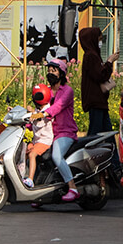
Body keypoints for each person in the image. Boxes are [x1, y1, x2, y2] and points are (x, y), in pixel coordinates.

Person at [45, 58, 80, 203]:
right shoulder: (45, 91)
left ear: (62, 73)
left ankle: (73, 188)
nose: (50, 72)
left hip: (64, 133)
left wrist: (43, 113)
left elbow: (57, 106)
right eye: (49, 70)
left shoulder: (67, 91)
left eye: (54, 70)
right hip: (48, 133)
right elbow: (37, 106)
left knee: (57, 156)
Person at [79, 26, 118, 136]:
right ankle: (88, 152)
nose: (100, 42)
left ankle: (113, 153)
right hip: (96, 101)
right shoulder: (91, 56)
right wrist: (109, 62)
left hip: (99, 102)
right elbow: (100, 75)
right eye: (99, 39)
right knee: (95, 133)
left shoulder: (93, 55)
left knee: (107, 132)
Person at [23, 84, 54, 189]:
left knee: (32, 155)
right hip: (36, 141)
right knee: (22, 152)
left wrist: (36, 115)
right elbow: (31, 125)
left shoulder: (47, 110)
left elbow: (45, 117)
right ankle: (20, 176)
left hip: (45, 141)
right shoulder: (36, 111)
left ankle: (31, 179)